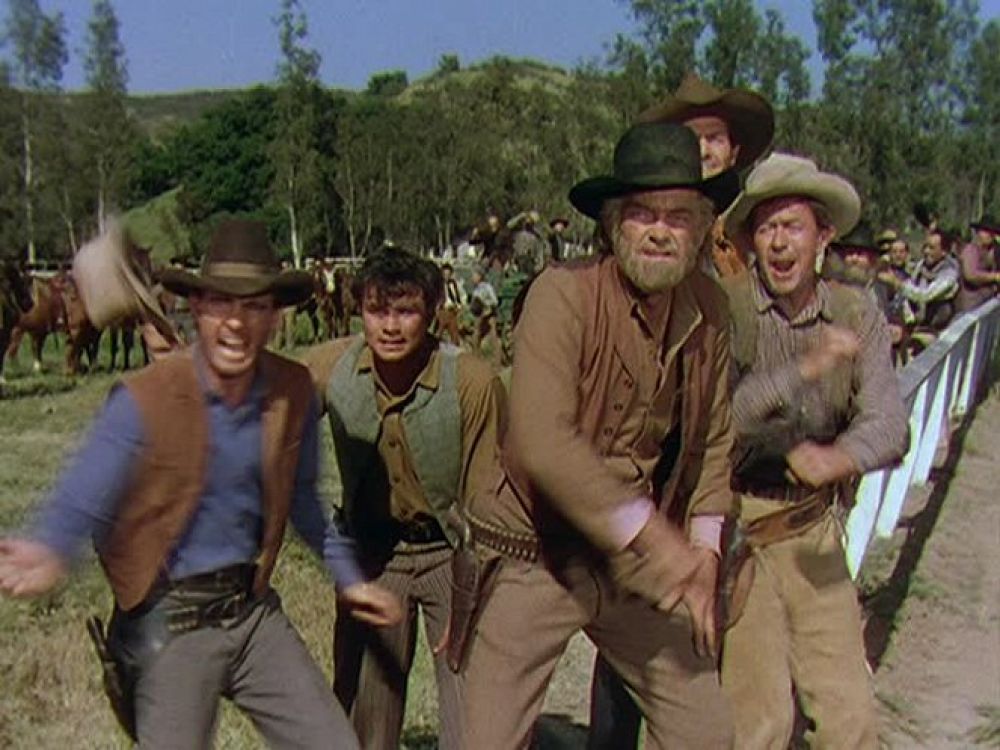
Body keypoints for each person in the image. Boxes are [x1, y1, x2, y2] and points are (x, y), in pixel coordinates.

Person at [0, 219, 401, 748]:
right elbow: (88, 484)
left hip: (252, 614)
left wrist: (349, 578)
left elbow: (302, 500)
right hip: (172, 624)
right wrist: (50, 546)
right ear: (196, 308)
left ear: (275, 316)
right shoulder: (147, 396)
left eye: (255, 306)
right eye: (220, 303)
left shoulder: (292, 389)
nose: (236, 322)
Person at [460, 121, 740, 750]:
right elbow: (543, 441)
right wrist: (658, 539)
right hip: (537, 548)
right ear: (613, 225)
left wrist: (703, 551)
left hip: (635, 563)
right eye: (642, 213)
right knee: (486, 740)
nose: (660, 231)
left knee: (706, 730)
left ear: (702, 228)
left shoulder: (710, 310)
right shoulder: (562, 295)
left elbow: (716, 438)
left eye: (679, 216)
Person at [721, 154, 908, 748]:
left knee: (849, 718)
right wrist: (805, 368)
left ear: (823, 237)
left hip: (814, 529)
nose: (779, 243)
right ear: (751, 240)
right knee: (761, 721)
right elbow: (726, 421)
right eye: (766, 228)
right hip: (739, 526)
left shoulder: (855, 312)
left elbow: (889, 422)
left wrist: (840, 458)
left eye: (792, 227)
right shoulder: (726, 309)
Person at [302, 247, 506, 750]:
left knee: (474, 718)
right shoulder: (333, 368)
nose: (390, 326)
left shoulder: (471, 380)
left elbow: (490, 502)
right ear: (359, 311)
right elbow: (267, 417)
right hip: (375, 555)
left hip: (450, 553)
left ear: (432, 312)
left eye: (406, 311)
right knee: (364, 715)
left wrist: (470, 596)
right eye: (377, 310)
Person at [637, 71, 775, 278]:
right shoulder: (647, 225)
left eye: (714, 139)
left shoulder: (754, 227)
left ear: (734, 152)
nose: (703, 152)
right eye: (691, 140)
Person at [879, 226, 960, 332]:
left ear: (944, 251)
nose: (926, 251)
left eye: (931, 248)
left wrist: (897, 282)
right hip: (917, 322)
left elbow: (924, 295)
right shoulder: (922, 265)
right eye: (925, 246)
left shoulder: (949, 273)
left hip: (939, 327)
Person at [955, 215, 1000, 313]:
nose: (990, 235)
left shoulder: (993, 252)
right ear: (978, 232)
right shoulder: (970, 250)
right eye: (986, 231)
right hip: (970, 306)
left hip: (987, 304)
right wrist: (995, 277)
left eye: (992, 232)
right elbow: (971, 275)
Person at [436, 262, 466, 345]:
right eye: (445, 274)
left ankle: (455, 348)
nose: (447, 276)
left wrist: (459, 306)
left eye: (448, 274)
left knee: (454, 334)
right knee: (438, 333)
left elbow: (459, 296)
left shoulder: (453, 284)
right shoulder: (438, 285)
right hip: (443, 311)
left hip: (452, 311)